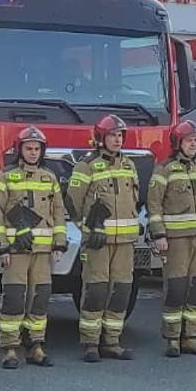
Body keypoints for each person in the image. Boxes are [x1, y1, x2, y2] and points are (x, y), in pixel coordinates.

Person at [0, 125, 67, 369]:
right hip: (15, 251)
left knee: (40, 298)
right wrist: (1, 246)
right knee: (14, 297)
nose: (33, 153)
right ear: (19, 150)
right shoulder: (5, 175)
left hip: (42, 252)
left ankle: (36, 346)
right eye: (28, 148)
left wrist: (59, 243)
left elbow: (58, 212)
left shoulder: (49, 177)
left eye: (36, 149)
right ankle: (10, 348)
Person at [67, 114, 142, 362]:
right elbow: (73, 203)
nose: (117, 140)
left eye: (120, 135)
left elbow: (134, 200)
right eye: (112, 135)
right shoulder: (86, 166)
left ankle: (111, 341)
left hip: (125, 243)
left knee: (120, 291)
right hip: (99, 242)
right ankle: (90, 343)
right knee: (96, 290)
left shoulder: (129, 165)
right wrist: (88, 231)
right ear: (101, 138)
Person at [148, 119, 196, 358]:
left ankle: (191, 337)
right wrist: (159, 234)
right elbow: (154, 204)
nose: (193, 144)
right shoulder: (164, 170)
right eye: (189, 140)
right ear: (177, 143)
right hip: (176, 239)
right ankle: (172, 338)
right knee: (177, 288)